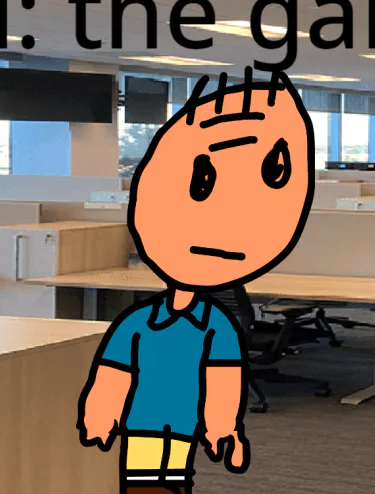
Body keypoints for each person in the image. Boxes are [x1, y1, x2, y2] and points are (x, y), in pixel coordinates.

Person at [77, 67, 315, 494]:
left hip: (184, 418)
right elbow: (114, 370)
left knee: (172, 479)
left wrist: (225, 429)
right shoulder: (140, 323)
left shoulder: (211, 325)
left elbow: (223, 377)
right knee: (144, 480)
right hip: (143, 417)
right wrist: (100, 413)